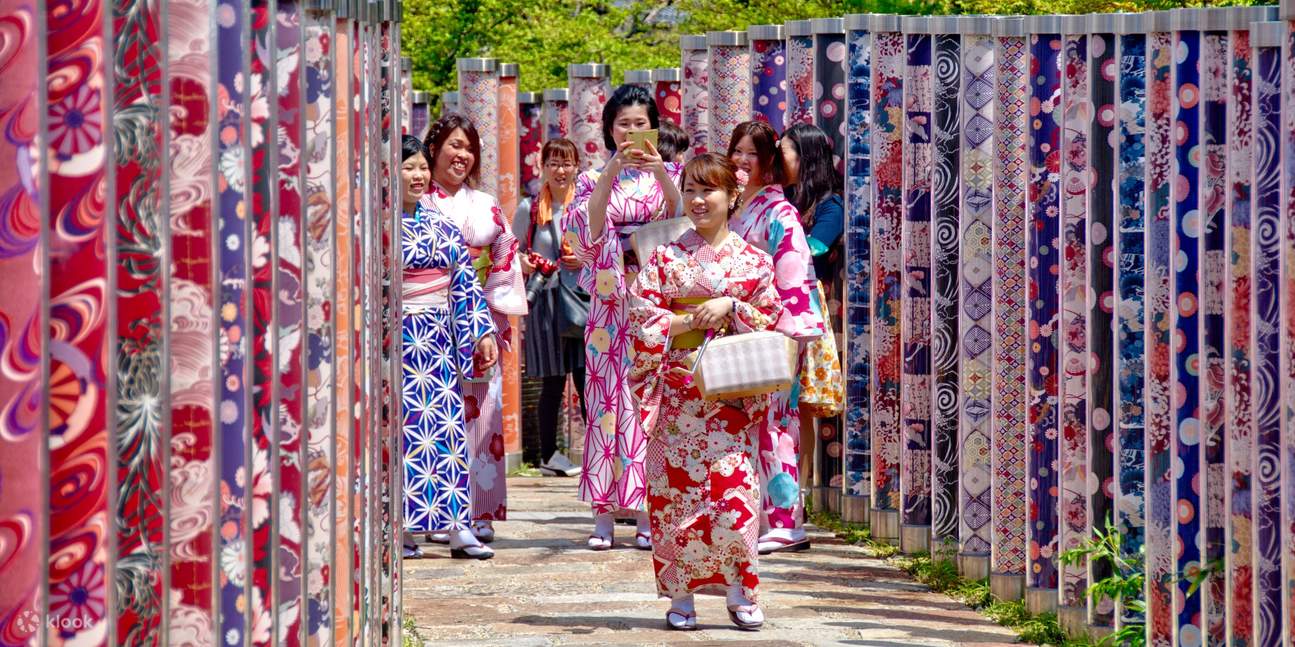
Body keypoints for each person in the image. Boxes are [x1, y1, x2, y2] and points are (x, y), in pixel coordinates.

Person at [628, 153, 781, 630]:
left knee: (735, 496)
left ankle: (740, 590)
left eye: (708, 190)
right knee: (676, 499)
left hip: (729, 396)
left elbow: (770, 318)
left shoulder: (755, 262)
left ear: (733, 195)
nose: (697, 200)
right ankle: (681, 596)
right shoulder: (664, 258)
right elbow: (640, 317)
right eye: (690, 190)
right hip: (678, 395)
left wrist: (732, 305)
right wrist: (688, 320)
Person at [562, 84, 683, 550]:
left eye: (640, 124)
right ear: (610, 130)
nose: (631, 132)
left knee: (650, 403)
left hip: (655, 299)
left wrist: (662, 174)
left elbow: (682, 221)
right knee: (606, 403)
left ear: (654, 127)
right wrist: (612, 170)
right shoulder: (592, 178)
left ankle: (649, 511)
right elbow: (588, 229)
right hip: (611, 302)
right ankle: (604, 514)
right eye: (623, 125)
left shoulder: (671, 172)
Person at [419, 114, 528, 544]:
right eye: (454, 145)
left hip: (479, 318)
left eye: (469, 148)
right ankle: (438, 511)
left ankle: (480, 510)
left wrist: (491, 315)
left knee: (482, 416)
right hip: (429, 321)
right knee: (435, 418)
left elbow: (505, 254)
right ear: (433, 149)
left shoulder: (485, 203)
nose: (462, 155)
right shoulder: (416, 202)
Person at [398, 134, 499, 560]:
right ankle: (399, 528)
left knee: (447, 432)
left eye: (422, 167)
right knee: (402, 434)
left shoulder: (440, 224)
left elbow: (464, 283)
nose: (418, 175)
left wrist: (482, 332)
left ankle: (457, 526)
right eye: (408, 167)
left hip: (437, 342)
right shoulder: (372, 226)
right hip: (395, 342)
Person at [726, 120, 825, 554]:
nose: (743, 160)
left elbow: (792, 274)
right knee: (752, 422)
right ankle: (765, 515)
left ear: (770, 163)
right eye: (738, 151)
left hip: (776, 329)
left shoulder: (779, 211)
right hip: (744, 327)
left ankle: (787, 520)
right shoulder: (738, 206)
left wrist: (786, 327)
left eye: (753, 153)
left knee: (778, 422)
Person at [513, 138, 587, 477]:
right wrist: (523, 263)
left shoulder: (585, 205)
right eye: (553, 163)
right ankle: (548, 455)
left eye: (567, 163)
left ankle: (597, 451)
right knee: (553, 381)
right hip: (546, 300)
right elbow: (510, 250)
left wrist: (583, 259)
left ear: (577, 167)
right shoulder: (529, 208)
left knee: (587, 380)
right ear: (542, 167)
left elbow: (600, 246)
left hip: (582, 298)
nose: (560, 170)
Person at [780, 123, 845, 499]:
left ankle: (798, 493)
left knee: (800, 402)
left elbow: (813, 248)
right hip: (769, 303)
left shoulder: (829, 206)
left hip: (803, 305)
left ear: (805, 158)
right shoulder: (779, 196)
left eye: (784, 152)